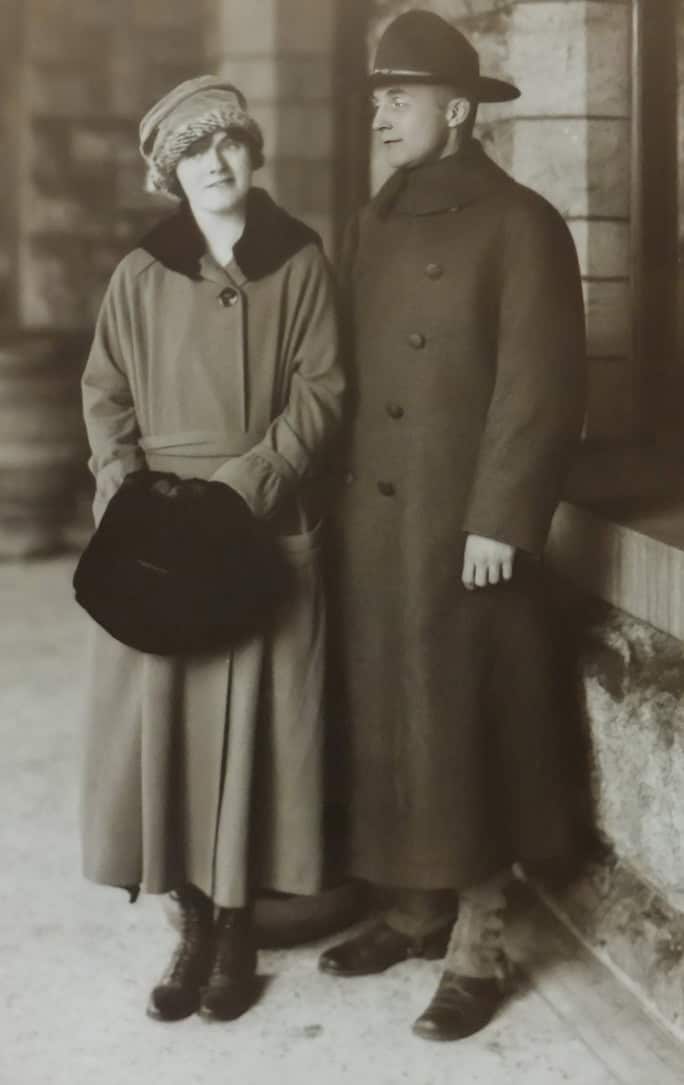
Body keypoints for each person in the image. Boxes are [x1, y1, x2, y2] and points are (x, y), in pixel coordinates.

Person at [318, 11, 588, 1041]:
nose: (382, 111)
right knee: (393, 710)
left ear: (460, 109)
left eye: (401, 95)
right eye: (379, 95)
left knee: (465, 726)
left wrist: (500, 520)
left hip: (462, 527)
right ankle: (414, 905)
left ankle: (479, 934)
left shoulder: (524, 223)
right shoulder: (379, 214)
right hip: (379, 520)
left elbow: (542, 391)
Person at [80, 76, 344, 1022]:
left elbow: (321, 392)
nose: (218, 163)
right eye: (196, 152)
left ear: (253, 151)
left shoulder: (301, 260)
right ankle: (190, 917)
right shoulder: (141, 273)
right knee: (171, 733)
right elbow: (105, 393)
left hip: (259, 519)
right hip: (161, 529)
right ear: (170, 173)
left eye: (230, 143)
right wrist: (127, 495)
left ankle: (239, 925)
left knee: (263, 735)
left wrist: (249, 484)